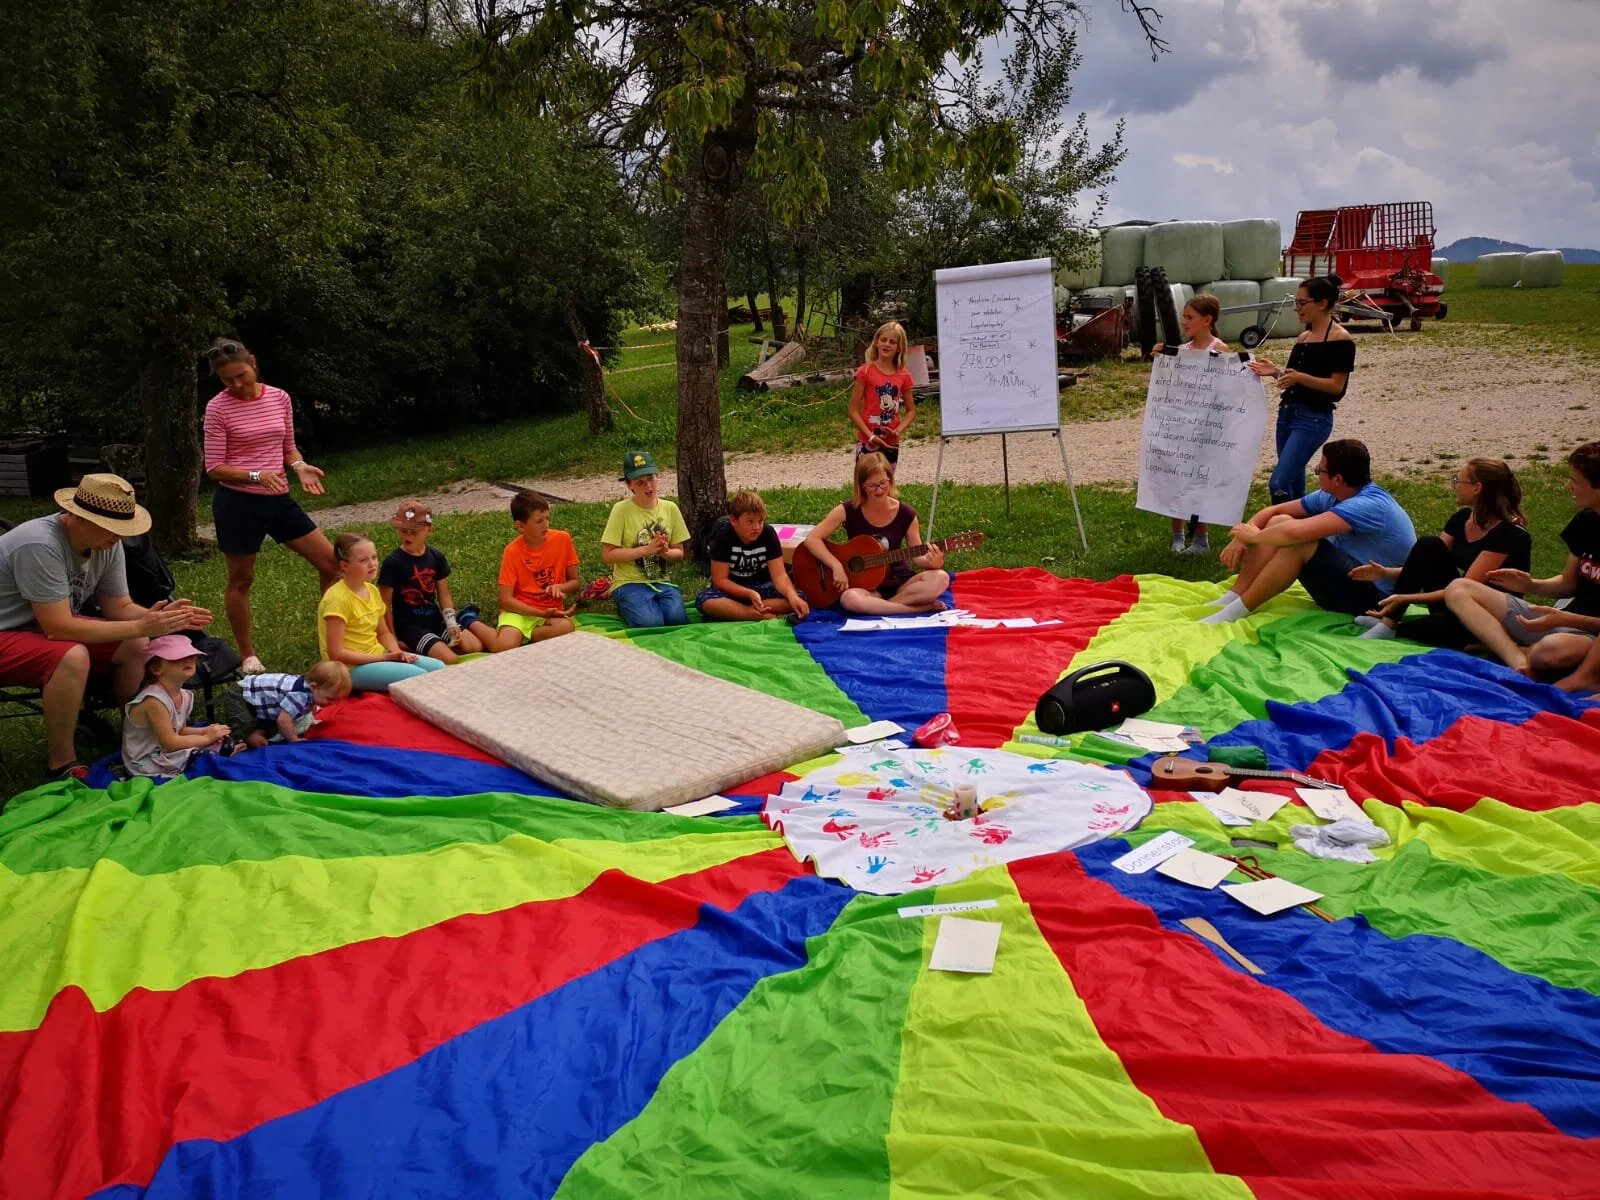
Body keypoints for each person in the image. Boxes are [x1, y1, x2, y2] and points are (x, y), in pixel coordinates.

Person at [0, 474, 211, 780]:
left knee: (135, 646)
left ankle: (138, 744)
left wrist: (162, 621)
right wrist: (142, 625)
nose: (120, 537)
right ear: (80, 517)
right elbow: (58, 628)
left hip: (35, 627)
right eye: (114, 529)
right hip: (9, 630)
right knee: (71, 656)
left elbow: (120, 608)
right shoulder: (39, 544)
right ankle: (62, 763)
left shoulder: (106, 544)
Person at [203, 337, 338, 675]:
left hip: (277, 498)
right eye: (227, 380)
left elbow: (288, 448)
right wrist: (254, 475)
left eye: (241, 376)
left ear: (253, 364)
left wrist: (298, 466)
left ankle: (333, 639)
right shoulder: (218, 407)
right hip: (237, 503)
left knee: (331, 564)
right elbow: (214, 467)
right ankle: (248, 655)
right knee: (242, 578)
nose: (236, 384)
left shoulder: (279, 397)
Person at [1205, 439, 1415, 624]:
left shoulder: (1367, 505)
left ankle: (1235, 611)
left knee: (1302, 543)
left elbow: (1296, 534)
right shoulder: (1335, 494)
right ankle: (1235, 594)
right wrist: (1241, 539)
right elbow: (1275, 511)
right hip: (1353, 579)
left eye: (1320, 470)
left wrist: (1254, 536)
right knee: (1280, 521)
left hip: (1376, 602)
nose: (1316, 474)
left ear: (1338, 479)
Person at [1444, 442, 1600, 690]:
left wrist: (1564, 618)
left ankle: (1527, 653)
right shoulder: (1587, 520)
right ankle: (1517, 659)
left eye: (1575, 481)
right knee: (1459, 589)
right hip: (1560, 620)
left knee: (1547, 653)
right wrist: (1531, 585)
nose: (1568, 486)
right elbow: (1568, 583)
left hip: (1587, 632)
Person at [1349, 458, 1530, 643]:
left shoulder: (1508, 535)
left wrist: (1405, 598)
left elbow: (1465, 588)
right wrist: (1385, 573)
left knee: (1446, 625)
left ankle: (1396, 629)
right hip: (1459, 598)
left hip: (1489, 612)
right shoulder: (1462, 519)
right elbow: (1426, 564)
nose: (1454, 486)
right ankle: (1388, 623)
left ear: (1477, 488)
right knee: (1429, 544)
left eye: (1458, 481)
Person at [1247, 275, 1356, 506]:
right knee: (1294, 482)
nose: (1297, 309)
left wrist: (1299, 377)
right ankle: (1303, 532)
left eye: (1302, 303)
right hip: (1287, 414)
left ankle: (1284, 530)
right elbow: (1294, 379)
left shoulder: (1341, 340)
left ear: (1322, 304)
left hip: (1313, 419)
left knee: (1278, 483)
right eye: (1296, 303)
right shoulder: (1303, 338)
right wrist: (1275, 371)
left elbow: (1336, 387)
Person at [801, 452, 950, 615]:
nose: (879, 490)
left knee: (941, 577)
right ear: (861, 486)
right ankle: (914, 608)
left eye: (883, 483)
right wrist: (836, 566)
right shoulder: (848, 510)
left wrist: (932, 563)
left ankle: (882, 607)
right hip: (866, 587)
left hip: (901, 583)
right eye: (872, 486)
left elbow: (917, 557)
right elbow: (812, 539)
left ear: (890, 480)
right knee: (849, 598)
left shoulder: (906, 514)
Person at [1152, 295, 1232, 555]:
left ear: (1207, 320)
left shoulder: (1220, 350)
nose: (1184, 322)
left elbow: (1227, 388)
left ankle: (1201, 537)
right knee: (1175, 476)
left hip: (1206, 428)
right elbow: (1170, 386)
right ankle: (1177, 534)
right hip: (1180, 427)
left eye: (1190, 317)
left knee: (1200, 480)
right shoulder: (1183, 352)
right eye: (1184, 316)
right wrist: (1161, 358)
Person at [317, 533, 446, 692]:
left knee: (438, 667)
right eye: (364, 560)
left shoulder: (372, 590)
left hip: (377, 655)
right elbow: (335, 653)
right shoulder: (338, 599)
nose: (372, 564)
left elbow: (383, 633)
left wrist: (396, 651)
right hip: (348, 668)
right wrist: (384, 658)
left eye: (374, 557)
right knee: (418, 676)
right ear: (345, 566)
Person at [379, 500, 495, 663]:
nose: (408, 536)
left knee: (474, 646)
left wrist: (451, 622)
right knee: (449, 659)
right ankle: (429, 647)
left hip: (435, 618)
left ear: (429, 530)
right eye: (404, 531)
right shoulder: (393, 562)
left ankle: (461, 618)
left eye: (414, 532)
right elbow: (384, 604)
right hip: (410, 626)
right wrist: (393, 638)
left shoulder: (436, 557)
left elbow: (444, 595)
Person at [121, 635, 236, 779]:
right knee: (205, 756)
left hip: (166, 750)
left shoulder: (185, 695)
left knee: (214, 744)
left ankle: (218, 754)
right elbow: (170, 742)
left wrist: (204, 731)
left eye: (191, 656)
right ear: (156, 668)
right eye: (177, 658)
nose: (188, 660)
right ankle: (216, 757)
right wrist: (206, 738)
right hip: (147, 760)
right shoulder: (154, 701)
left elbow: (180, 730)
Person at [601, 450, 690, 628]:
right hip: (629, 582)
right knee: (651, 623)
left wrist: (665, 552)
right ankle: (624, 602)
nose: (648, 486)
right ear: (629, 485)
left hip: (661, 581)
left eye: (651, 479)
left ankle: (648, 605)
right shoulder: (621, 510)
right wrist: (645, 550)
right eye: (640, 482)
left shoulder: (670, 508)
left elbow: (679, 552)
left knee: (676, 620)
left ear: (658, 478)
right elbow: (608, 555)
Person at [696, 490, 812, 622]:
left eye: (760, 521)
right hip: (734, 590)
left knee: (799, 596)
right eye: (750, 522)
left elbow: (779, 575)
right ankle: (752, 613)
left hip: (765, 587)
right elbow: (720, 581)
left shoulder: (768, 534)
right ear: (734, 520)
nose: (757, 527)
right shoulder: (724, 536)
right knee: (705, 600)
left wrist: (792, 596)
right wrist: (749, 594)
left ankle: (741, 611)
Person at [488, 490, 580, 649]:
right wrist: (540, 613)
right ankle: (471, 621)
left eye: (547, 518)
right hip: (520, 611)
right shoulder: (512, 551)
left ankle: (526, 636)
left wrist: (560, 587)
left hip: (550, 613)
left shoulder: (562, 539)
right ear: (520, 526)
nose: (546, 525)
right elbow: (506, 600)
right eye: (539, 521)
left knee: (566, 628)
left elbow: (575, 582)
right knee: (503, 646)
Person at [230, 661, 353, 748]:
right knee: (243, 722)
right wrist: (294, 739)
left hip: (264, 700)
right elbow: (283, 721)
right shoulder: (299, 696)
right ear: (313, 687)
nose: (331, 704)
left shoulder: (310, 688)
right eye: (329, 699)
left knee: (273, 724)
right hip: (241, 693)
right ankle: (246, 737)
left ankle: (258, 731)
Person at [849, 321, 916, 473]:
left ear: (899, 347)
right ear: (876, 342)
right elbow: (853, 410)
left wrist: (897, 431)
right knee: (865, 484)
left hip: (891, 442)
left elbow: (911, 411)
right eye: (883, 340)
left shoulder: (904, 375)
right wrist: (870, 436)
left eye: (892, 342)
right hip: (868, 440)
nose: (887, 344)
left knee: (886, 483)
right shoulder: (864, 372)